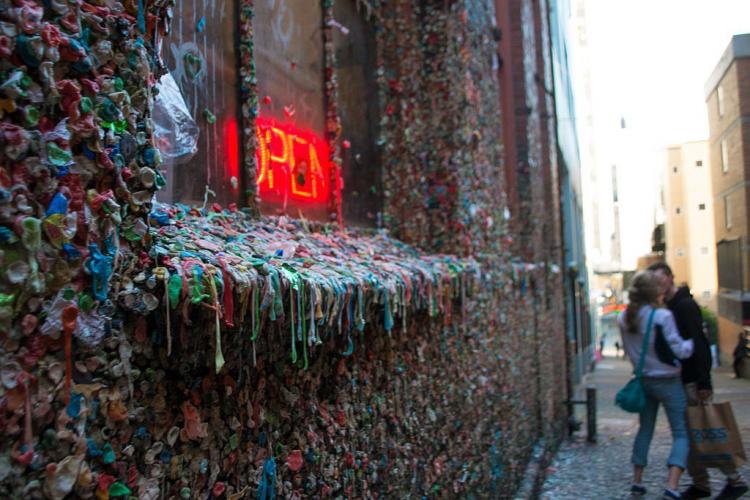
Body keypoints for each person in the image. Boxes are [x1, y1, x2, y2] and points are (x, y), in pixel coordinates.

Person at [649, 262, 749, 500]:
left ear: (671, 278)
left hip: (693, 381)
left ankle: (735, 480)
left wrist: (704, 382)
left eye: (660, 278)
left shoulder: (684, 305)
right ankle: (701, 484)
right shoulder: (669, 306)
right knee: (691, 433)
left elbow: (699, 344)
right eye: (654, 281)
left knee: (705, 431)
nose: (658, 284)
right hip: (681, 380)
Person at [619, 271, 694, 500]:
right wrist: (693, 342)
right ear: (655, 292)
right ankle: (672, 485)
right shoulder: (661, 316)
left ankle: (637, 481)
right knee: (681, 433)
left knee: (645, 430)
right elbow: (679, 349)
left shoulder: (623, 318)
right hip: (669, 381)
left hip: (644, 381)